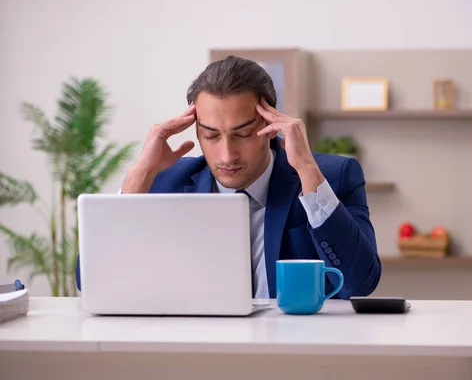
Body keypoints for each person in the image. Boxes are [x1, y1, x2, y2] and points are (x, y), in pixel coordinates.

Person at [76, 55, 381, 300]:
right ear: (195, 129)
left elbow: (361, 282)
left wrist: (307, 169)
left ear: (271, 123)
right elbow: (88, 280)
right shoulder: (163, 182)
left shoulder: (332, 177)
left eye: (244, 134)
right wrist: (140, 173)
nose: (226, 155)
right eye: (210, 135)